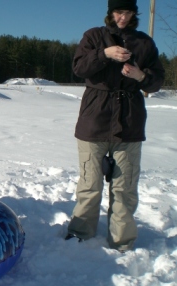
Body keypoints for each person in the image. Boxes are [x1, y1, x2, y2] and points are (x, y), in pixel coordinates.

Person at [65, 0, 165, 252]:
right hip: (94, 122)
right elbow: (78, 68)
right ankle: (80, 234)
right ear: (110, 13)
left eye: (128, 12)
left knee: (125, 189)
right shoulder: (94, 36)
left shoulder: (144, 43)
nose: (123, 17)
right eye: (119, 12)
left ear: (134, 13)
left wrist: (140, 76)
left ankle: (122, 242)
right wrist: (104, 54)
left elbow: (156, 82)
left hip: (129, 125)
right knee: (89, 185)